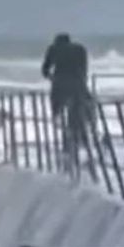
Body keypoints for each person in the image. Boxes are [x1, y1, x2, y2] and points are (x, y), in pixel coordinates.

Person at [41, 33, 94, 176]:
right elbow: (84, 70)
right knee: (80, 114)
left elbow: (45, 70)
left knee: (59, 115)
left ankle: (67, 145)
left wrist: (53, 79)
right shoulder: (80, 49)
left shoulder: (54, 49)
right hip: (78, 86)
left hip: (60, 87)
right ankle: (83, 143)